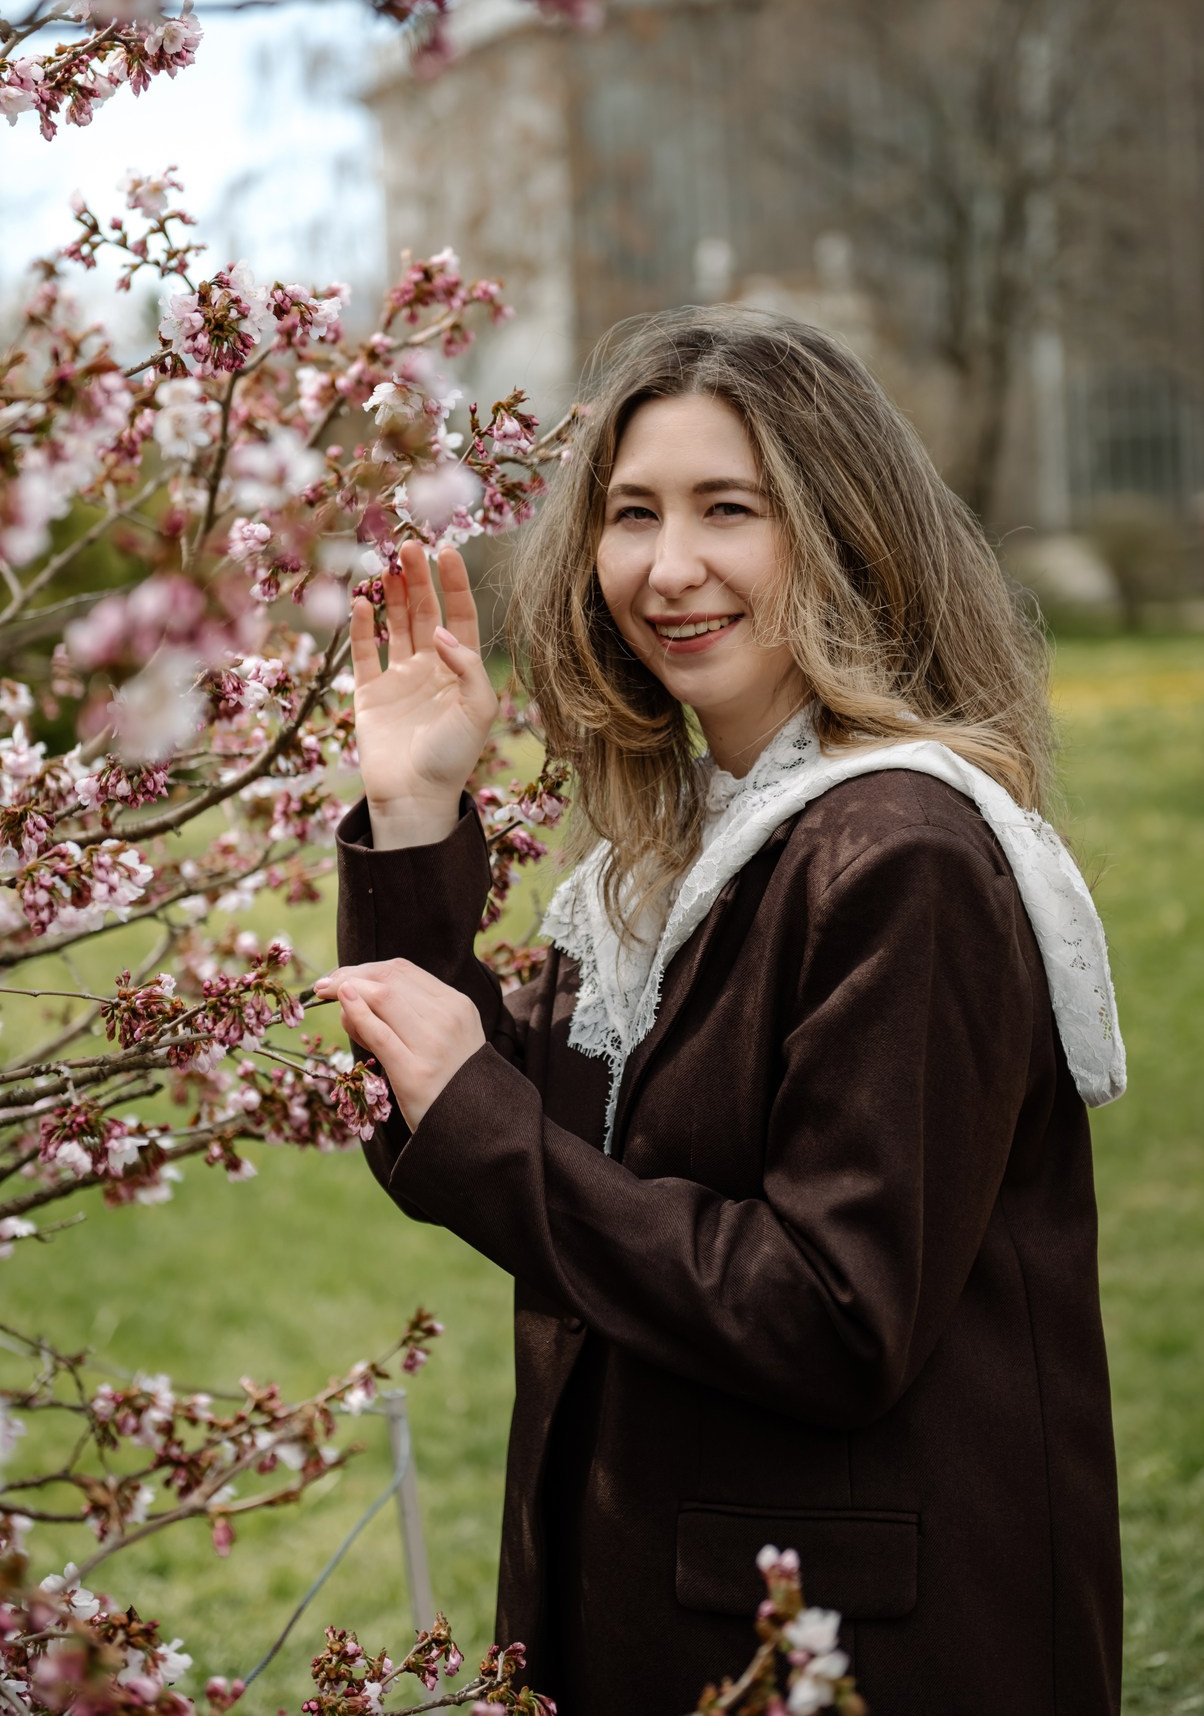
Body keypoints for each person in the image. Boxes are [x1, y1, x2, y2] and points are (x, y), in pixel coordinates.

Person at [316, 308, 1125, 1716]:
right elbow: (448, 1135)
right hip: (657, 1610)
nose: (667, 568)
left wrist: (488, 1122)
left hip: (866, 1650)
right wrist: (414, 806)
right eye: (632, 514)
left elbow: (836, 1315)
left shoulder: (901, 854)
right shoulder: (671, 858)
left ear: (841, 533)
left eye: (727, 509)